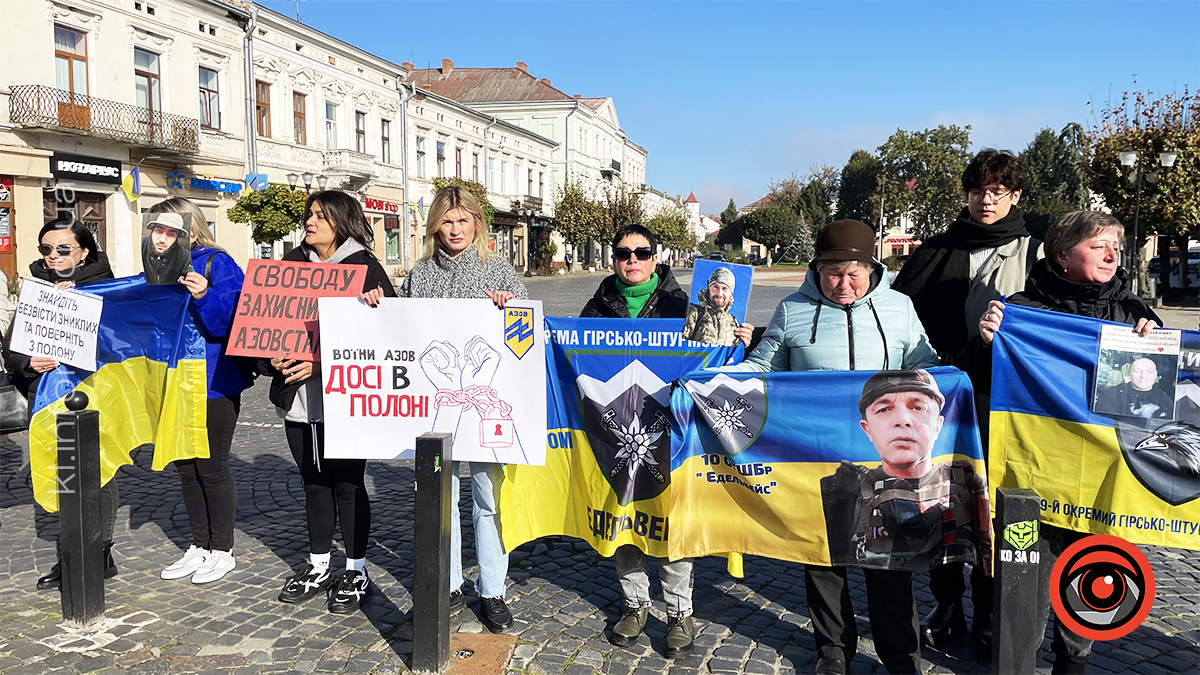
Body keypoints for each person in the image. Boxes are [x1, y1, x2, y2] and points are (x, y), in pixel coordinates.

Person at [717, 219, 939, 675]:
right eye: (832, 273)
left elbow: (926, 367)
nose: (843, 284)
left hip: (885, 461)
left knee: (889, 559)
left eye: (853, 272)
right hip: (814, 454)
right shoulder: (792, 309)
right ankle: (833, 652)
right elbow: (764, 367)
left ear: (872, 268)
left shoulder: (899, 308)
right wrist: (722, 369)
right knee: (822, 557)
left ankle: (902, 656)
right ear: (816, 269)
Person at [979, 211, 1160, 674]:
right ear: (1062, 254)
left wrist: (1156, 345)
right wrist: (987, 341)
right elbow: (981, 381)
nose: (1112, 255)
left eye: (1115, 247)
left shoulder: (1133, 313)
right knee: (1030, 562)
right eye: (1099, 246)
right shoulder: (1021, 310)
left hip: (1103, 466)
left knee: (1091, 561)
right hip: (1037, 463)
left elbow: (1157, 396)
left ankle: (1074, 658)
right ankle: (1020, 655)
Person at [892, 149, 1040, 651]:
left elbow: (1073, 299)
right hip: (939, 393)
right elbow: (894, 310)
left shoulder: (1035, 252)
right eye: (978, 190)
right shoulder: (936, 249)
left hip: (1004, 399)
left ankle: (991, 607)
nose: (986, 200)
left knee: (994, 505)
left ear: (1015, 196)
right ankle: (947, 598)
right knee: (940, 502)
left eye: (998, 192)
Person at [377, 185, 526, 633]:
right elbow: (401, 333)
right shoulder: (421, 275)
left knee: (487, 496)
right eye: (447, 220)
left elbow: (522, 338)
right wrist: (376, 310)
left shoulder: (499, 270)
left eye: (463, 220)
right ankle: (451, 582)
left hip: (484, 405)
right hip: (436, 405)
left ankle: (493, 589)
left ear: (477, 223)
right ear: (435, 226)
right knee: (443, 497)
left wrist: (509, 307)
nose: (455, 229)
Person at [270, 190, 396, 614]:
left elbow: (389, 337)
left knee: (347, 483)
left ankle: (356, 569)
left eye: (320, 216)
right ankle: (319, 564)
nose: (310, 221)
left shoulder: (364, 268)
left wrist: (320, 363)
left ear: (341, 221)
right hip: (299, 400)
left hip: (348, 397)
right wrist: (269, 352)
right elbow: (266, 322)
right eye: (308, 215)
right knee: (313, 483)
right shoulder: (289, 266)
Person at [10, 218, 117, 589]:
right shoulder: (37, 287)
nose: (52, 256)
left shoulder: (106, 286)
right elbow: (13, 346)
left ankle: (99, 550)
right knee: (62, 473)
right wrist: (27, 362)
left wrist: (80, 302)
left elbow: (117, 341)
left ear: (84, 251)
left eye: (62, 248)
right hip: (48, 396)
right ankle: (71, 552)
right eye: (46, 249)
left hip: (93, 393)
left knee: (99, 471)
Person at [147, 198, 251, 584]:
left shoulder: (216, 262)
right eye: (156, 228)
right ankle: (200, 545)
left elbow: (239, 319)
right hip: (173, 381)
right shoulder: (155, 269)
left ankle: (222, 550)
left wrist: (205, 295)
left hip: (213, 382)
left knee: (211, 466)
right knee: (186, 467)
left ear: (190, 229)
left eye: (170, 228)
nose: (162, 235)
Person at [821, 370, 989, 573]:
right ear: (867, 429)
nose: (903, 420)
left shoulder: (966, 480)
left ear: (938, 425)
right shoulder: (847, 486)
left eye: (917, 407)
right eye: (884, 409)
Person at [683, 266, 750, 346]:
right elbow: (679, 348)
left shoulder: (733, 322)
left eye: (724, 288)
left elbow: (734, 353)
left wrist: (743, 345)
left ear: (731, 293)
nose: (719, 293)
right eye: (715, 287)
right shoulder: (694, 313)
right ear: (709, 288)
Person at [1097, 357, 1174, 419]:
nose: (1143, 376)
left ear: (1155, 374)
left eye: (1149, 372)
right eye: (1137, 371)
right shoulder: (1110, 394)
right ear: (1130, 373)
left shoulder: (1167, 397)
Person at [142, 213, 194, 284]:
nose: (162, 240)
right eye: (159, 231)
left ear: (176, 238)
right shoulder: (140, 244)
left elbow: (190, 277)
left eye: (171, 234)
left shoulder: (183, 254)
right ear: (152, 231)